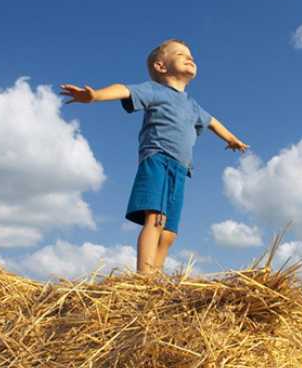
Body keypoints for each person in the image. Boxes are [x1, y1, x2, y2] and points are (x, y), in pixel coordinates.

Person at [60, 39, 248, 273]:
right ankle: (144, 279)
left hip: (181, 168)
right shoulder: (154, 90)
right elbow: (124, 89)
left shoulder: (192, 105)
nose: (189, 57)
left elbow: (212, 122)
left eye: (191, 55)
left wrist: (231, 139)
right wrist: (95, 96)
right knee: (155, 219)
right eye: (180, 54)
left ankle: (155, 281)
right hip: (159, 159)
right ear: (161, 67)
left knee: (169, 233)